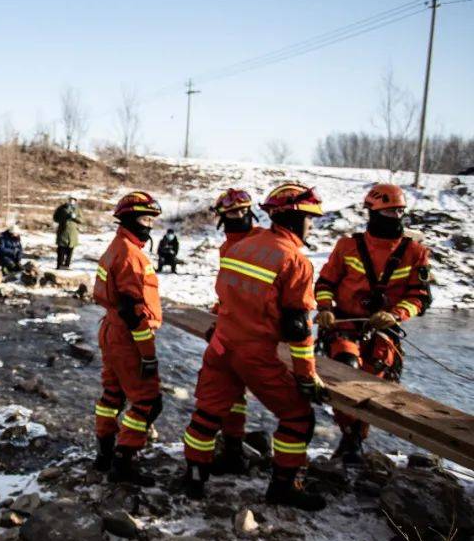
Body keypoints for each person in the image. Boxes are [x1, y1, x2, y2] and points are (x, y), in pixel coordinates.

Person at [180, 183, 327, 511]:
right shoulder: (295, 261)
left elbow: (226, 298)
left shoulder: (238, 247)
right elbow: (297, 328)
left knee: (207, 413)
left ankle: (193, 478)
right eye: (310, 218)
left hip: (220, 345)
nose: (312, 225)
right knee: (298, 417)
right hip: (253, 353)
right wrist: (306, 376)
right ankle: (284, 487)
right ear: (295, 218)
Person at [314, 183, 431, 464]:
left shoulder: (414, 252)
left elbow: (420, 296)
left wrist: (396, 314)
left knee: (371, 383)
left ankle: (353, 438)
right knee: (345, 370)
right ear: (372, 212)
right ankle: (350, 436)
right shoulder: (348, 246)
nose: (394, 218)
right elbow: (326, 282)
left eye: (398, 212)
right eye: (388, 212)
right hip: (344, 323)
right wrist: (325, 308)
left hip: (383, 329)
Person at [92, 191, 164, 486]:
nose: (149, 225)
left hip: (110, 331)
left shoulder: (115, 247)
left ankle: (104, 453)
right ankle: (124, 460)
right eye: (145, 219)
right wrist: (148, 354)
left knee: (112, 395)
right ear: (130, 219)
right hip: (128, 337)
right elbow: (136, 314)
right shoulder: (132, 256)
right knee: (148, 401)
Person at [207, 188, 261, 475]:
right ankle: (233, 447)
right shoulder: (226, 248)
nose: (237, 217)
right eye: (230, 214)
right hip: (233, 328)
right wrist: (221, 312)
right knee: (231, 389)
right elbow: (233, 288)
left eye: (241, 212)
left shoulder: (261, 242)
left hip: (257, 330)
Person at [53, 198, 82, 269]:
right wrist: (65, 216)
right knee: (61, 250)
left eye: (73, 200)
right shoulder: (61, 208)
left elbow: (81, 220)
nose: (71, 201)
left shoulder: (77, 209)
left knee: (70, 251)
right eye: (70, 200)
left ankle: (67, 266)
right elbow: (55, 219)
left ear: (75, 201)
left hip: (73, 234)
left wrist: (74, 217)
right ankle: (59, 266)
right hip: (63, 233)